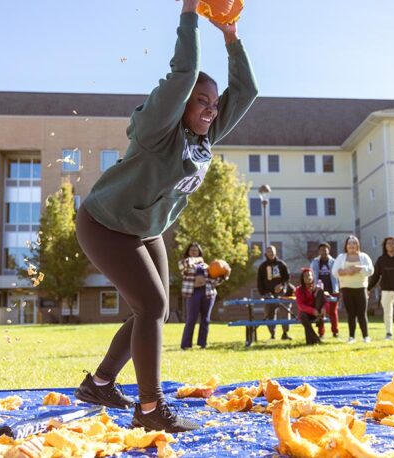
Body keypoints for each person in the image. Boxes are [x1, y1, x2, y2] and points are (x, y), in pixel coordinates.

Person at [73, 0, 258, 434]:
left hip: (145, 229)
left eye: (214, 103)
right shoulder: (159, 127)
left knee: (150, 311)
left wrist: (230, 36)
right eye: (202, 101)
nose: (212, 109)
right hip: (105, 223)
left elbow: (246, 91)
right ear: (182, 105)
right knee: (152, 306)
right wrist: (190, 11)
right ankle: (150, 408)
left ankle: (99, 384)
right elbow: (182, 75)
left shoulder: (205, 133)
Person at [178, 242, 228, 350]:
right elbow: (183, 265)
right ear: (188, 252)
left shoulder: (206, 266)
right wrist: (196, 259)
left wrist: (225, 275)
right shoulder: (185, 263)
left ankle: (202, 343)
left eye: (196, 250)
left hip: (208, 294)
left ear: (199, 252)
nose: (194, 252)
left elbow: (214, 281)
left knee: (205, 319)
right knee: (191, 318)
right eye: (191, 250)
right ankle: (186, 345)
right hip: (192, 293)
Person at [332, 236, 374, 343]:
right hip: (346, 288)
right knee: (351, 313)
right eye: (349, 243)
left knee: (362, 313)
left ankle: (366, 336)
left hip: (361, 288)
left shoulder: (364, 256)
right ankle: (351, 337)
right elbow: (335, 271)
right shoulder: (341, 257)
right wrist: (346, 271)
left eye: (354, 243)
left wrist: (360, 268)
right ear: (346, 246)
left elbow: (371, 270)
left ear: (357, 245)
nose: (351, 245)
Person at [256, 245, 292, 340]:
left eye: (272, 251)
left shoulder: (281, 264)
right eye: (268, 251)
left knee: (285, 312)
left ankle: (285, 333)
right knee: (269, 314)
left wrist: (282, 285)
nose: (270, 253)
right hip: (268, 295)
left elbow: (287, 278)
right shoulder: (262, 267)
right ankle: (272, 335)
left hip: (282, 294)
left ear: (276, 252)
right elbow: (259, 282)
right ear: (266, 253)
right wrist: (263, 293)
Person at [310, 242, 340, 338]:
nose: (323, 251)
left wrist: (339, 289)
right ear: (319, 251)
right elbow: (311, 276)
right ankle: (321, 333)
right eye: (321, 250)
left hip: (332, 290)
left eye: (325, 249)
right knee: (320, 311)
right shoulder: (314, 262)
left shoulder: (334, 262)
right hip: (319, 292)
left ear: (329, 250)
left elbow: (339, 276)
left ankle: (335, 332)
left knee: (333, 311)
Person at [295, 268, 325, 345]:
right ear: (302, 278)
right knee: (303, 316)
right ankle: (315, 339)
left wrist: (324, 308)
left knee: (320, 292)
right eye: (305, 276)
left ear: (312, 277)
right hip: (307, 313)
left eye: (309, 275)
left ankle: (311, 341)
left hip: (318, 312)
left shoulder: (317, 288)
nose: (308, 277)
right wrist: (312, 311)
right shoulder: (299, 290)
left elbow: (325, 302)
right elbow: (300, 305)